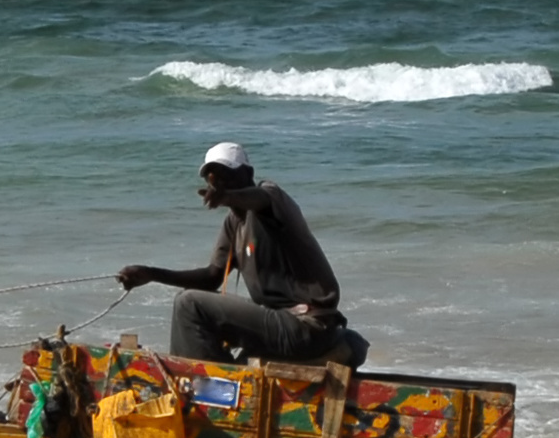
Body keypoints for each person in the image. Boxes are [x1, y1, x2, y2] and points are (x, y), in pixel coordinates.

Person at [118, 142, 370, 369]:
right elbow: (211, 277)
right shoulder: (233, 224)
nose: (217, 183)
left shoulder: (271, 198)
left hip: (306, 325)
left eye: (226, 175)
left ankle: (200, 387)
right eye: (211, 178)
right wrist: (150, 274)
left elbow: (258, 198)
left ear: (247, 173)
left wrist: (228, 196)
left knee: (189, 304)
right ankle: (214, 382)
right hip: (280, 323)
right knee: (192, 302)